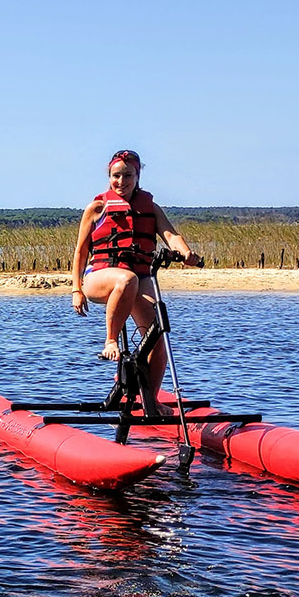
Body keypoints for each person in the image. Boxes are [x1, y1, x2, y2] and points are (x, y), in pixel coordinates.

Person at [71, 149, 201, 410]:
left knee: (158, 335)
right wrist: (76, 290)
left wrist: (186, 252)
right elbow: (81, 251)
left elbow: (170, 235)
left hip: (138, 278)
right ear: (109, 177)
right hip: (99, 277)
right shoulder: (97, 208)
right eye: (116, 176)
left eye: (128, 175)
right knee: (126, 279)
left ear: (138, 175)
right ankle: (110, 341)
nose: (122, 181)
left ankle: (151, 401)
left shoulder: (150, 208)